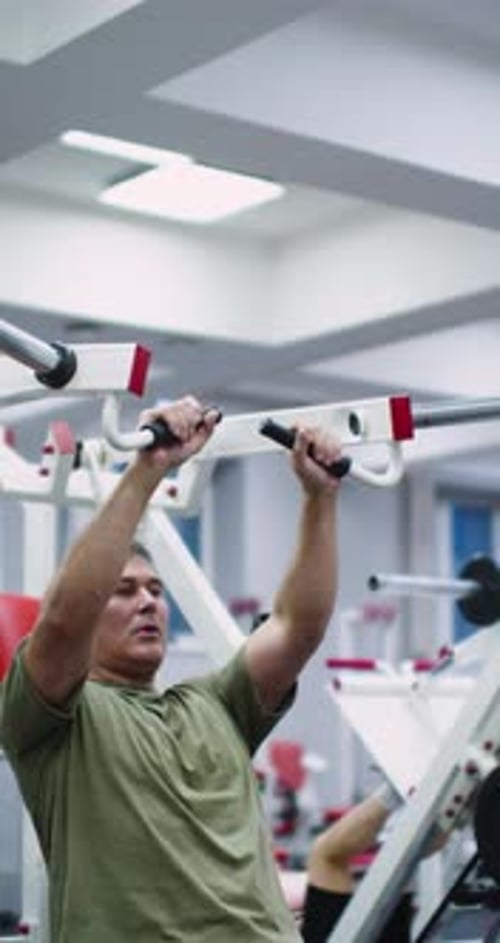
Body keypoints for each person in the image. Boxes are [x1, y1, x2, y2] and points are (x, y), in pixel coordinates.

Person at [0, 395, 344, 943]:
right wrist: (148, 470)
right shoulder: (53, 724)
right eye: (126, 591)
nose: (149, 603)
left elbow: (297, 627)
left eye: (157, 592)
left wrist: (320, 499)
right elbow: (65, 619)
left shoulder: (218, 705)